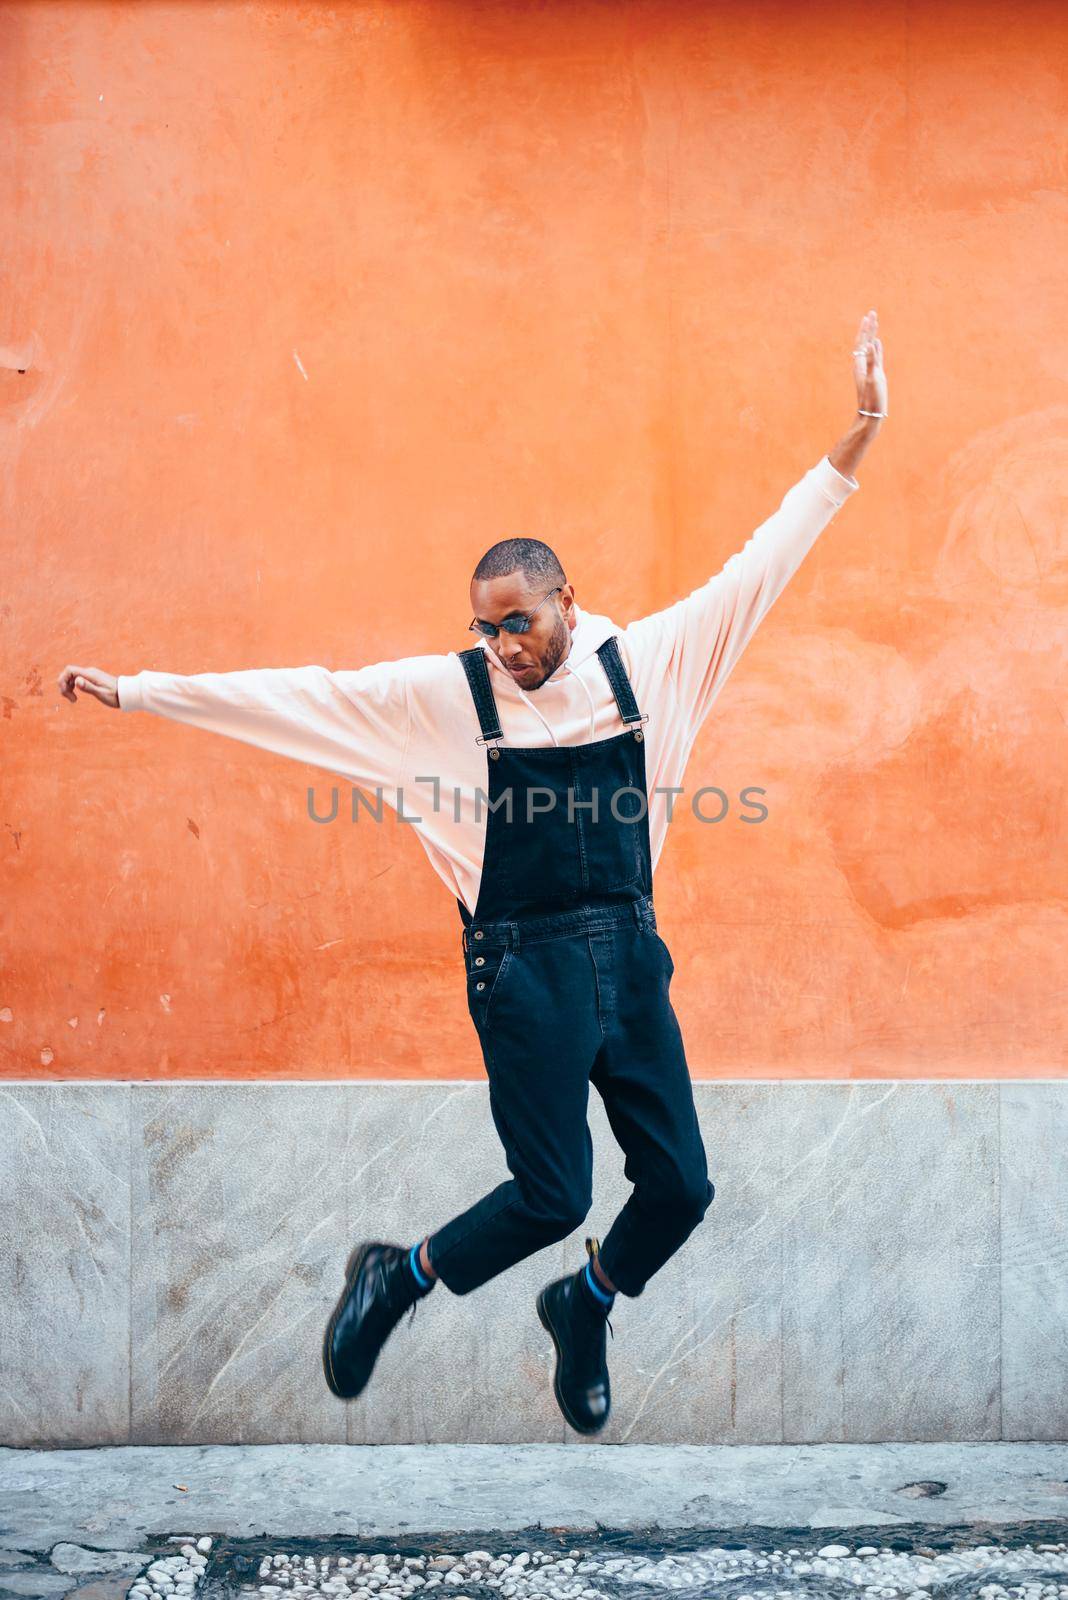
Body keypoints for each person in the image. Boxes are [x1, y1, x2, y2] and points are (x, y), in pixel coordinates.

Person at [58, 312, 887, 1434]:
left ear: (567, 603)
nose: (505, 644)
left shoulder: (653, 662)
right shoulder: (441, 697)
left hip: (630, 961)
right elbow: (301, 695)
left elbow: (765, 561)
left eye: (521, 622)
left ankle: (584, 1303)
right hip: (523, 973)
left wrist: (861, 431)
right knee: (554, 1192)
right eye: (489, 627)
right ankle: (395, 1277)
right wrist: (145, 688)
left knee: (682, 1185)